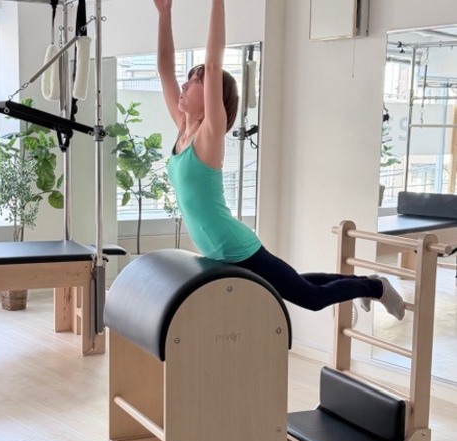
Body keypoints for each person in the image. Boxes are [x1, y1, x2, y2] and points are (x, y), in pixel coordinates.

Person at [152, 0, 405, 320]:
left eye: (196, 81)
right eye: (188, 79)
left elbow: (214, 65)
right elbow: (164, 69)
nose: (185, 84)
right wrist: (164, 14)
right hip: (219, 251)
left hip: (234, 246)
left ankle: (375, 287)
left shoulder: (209, 135)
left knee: (310, 297)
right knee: (295, 285)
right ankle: (366, 284)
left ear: (213, 96)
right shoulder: (183, 132)